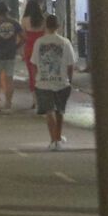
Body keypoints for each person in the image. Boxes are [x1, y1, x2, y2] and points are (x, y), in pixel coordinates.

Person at [30, 14, 76, 150]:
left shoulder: (39, 42)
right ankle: (58, 138)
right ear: (58, 26)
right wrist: (69, 79)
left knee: (49, 111)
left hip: (43, 82)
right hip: (62, 82)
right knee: (60, 111)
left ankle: (53, 140)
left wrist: (35, 77)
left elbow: (33, 63)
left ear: (45, 25)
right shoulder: (65, 42)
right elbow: (70, 64)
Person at [21, 0, 46, 107]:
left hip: (30, 48)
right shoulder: (43, 19)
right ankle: (43, 97)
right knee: (43, 73)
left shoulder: (25, 20)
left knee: (32, 74)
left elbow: (23, 36)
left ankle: (35, 100)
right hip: (42, 48)